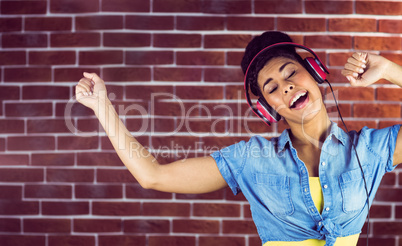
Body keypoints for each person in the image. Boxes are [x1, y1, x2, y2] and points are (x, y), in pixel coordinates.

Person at [75, 31, 402, 246]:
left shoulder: (370, 151)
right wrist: (102, 105)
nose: (285, 87)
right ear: (268, 109)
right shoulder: (251, 158)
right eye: (272, 88)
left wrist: (387, 69)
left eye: (291, 74)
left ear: (315, 74)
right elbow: (152, 176)